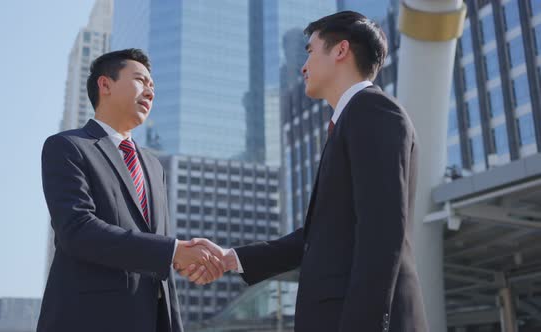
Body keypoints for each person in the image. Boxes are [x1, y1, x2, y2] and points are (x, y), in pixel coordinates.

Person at [179, 11, 428, 332]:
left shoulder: (373, 111)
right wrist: (230, 258)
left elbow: (382, 231)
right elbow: (317, 240)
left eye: (310, 51)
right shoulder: (352, 119)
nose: (303, 65)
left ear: (340, 50)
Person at [38, 49, 223, 332]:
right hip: (89, 319)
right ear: (105, 85)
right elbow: (76, 230)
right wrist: (174, 251)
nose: (150, 91)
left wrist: (182, 258)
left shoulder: (153, 165)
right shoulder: (68, 147)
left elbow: (156, 246)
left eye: (153, 85)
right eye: (141, 80)